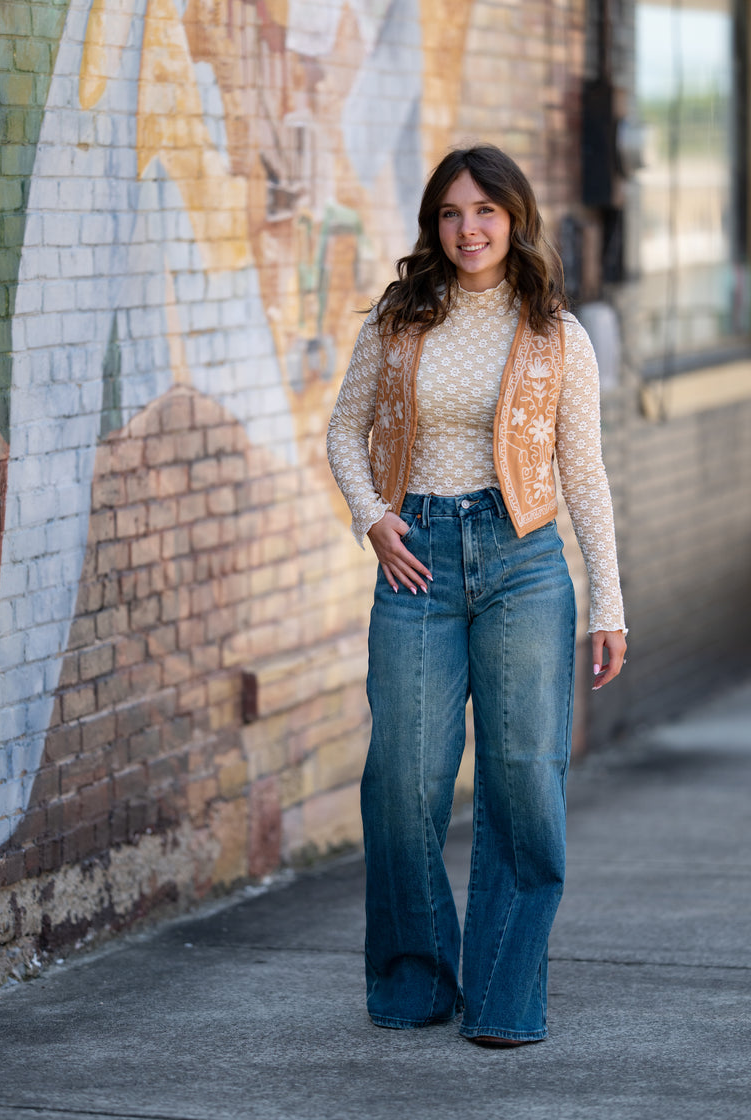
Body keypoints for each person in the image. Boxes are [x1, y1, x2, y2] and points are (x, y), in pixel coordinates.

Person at [326, 144, 627, 1048]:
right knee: (403, 781)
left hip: (523, 562)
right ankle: (415, 981)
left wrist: (608, 602)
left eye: (485, 212)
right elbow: (345, 430)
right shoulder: (398, 317)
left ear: (513, 218)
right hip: (415, 562)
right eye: (452, 213)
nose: (468, 229)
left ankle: (503, 994)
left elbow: (586, 475)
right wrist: (374, 519)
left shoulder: (556, 335)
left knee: (524, 781)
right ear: (435, 223)